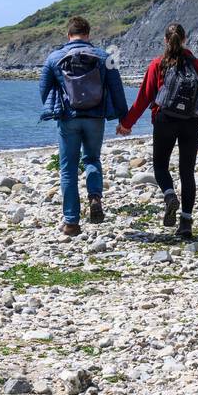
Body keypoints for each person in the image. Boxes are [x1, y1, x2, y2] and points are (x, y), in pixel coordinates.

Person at [116, 22, 198, 240]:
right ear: (185, 40)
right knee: (187, 172)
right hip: (191, 122)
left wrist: (127, 124)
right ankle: (185, 224)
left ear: (165, 40)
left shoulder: (158, 65)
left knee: (161, 166)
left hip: (164, 120)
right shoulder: (197, 65)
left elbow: (143, 98)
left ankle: (169, 195)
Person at [39, 16, 128, 236]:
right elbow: (117, 89)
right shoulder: (105, 57)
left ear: (68, 35)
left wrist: (56, 108)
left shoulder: (54, 57)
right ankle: (95, 198)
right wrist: (124, 120)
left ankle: (71, 222)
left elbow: (43, 89)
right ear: (88, 35)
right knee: (92, 159)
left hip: (68, 119)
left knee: (68, 169)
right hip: (95, 118)